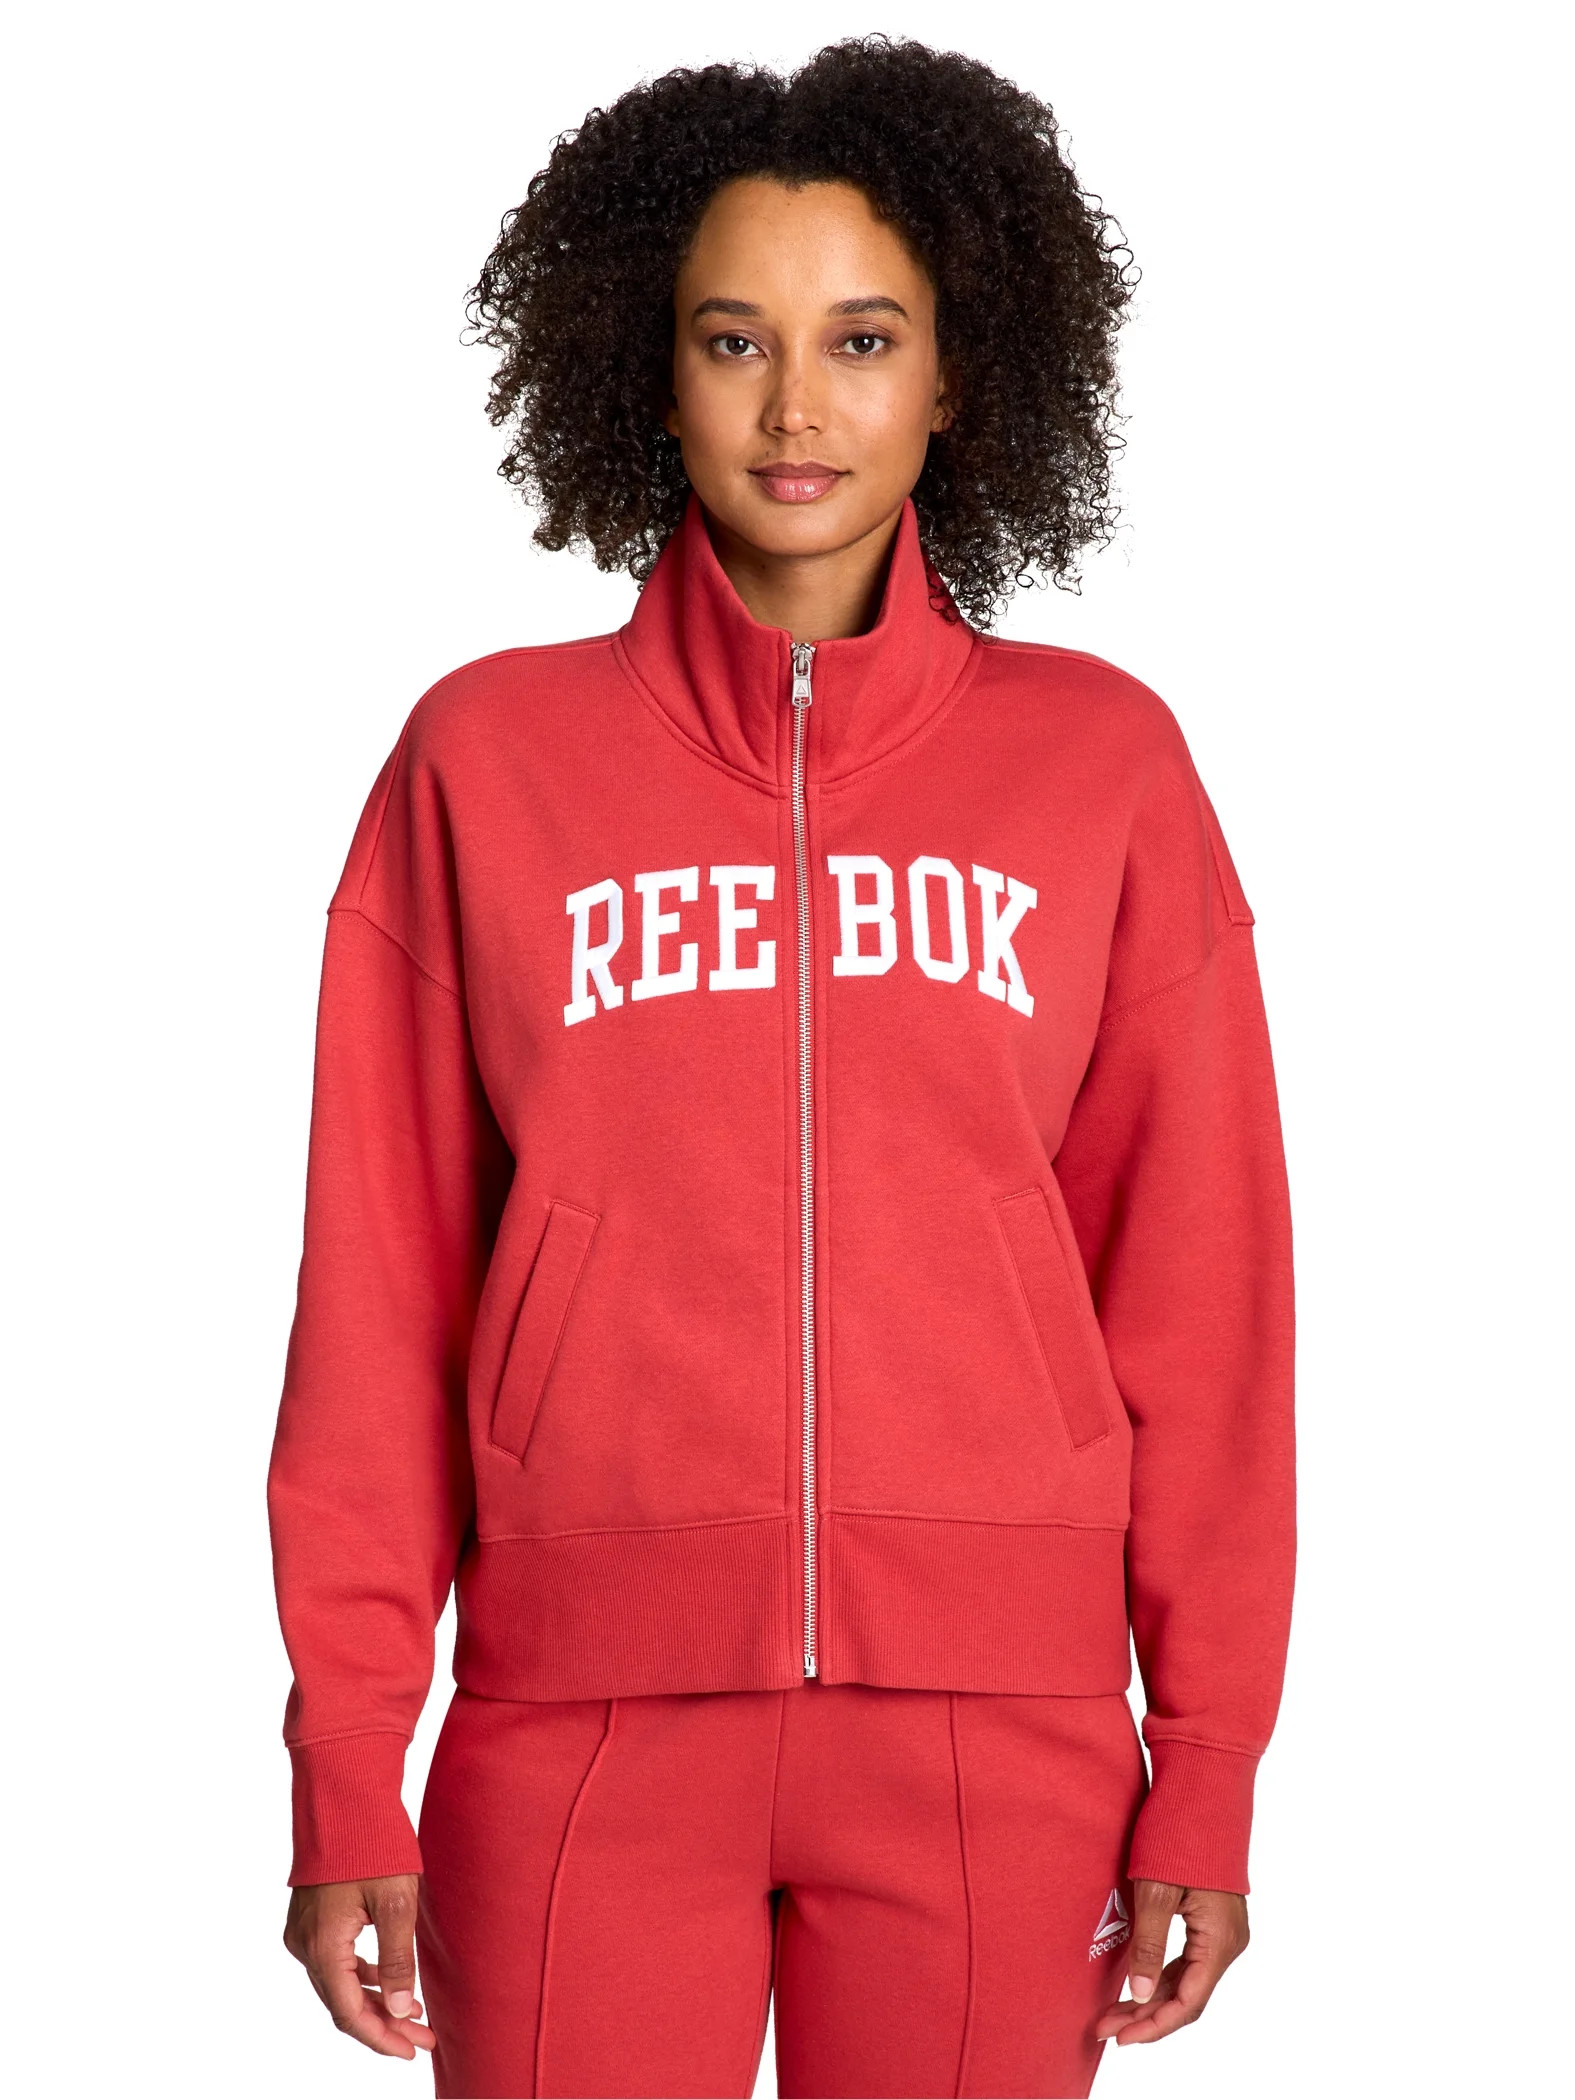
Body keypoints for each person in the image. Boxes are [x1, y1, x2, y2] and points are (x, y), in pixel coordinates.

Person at [268, 35, 1296, 2100]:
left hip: (997, 1740)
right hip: (573, 1728)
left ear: (957, 375)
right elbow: (381, 1287)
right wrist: (345, 1757)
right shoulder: (485, 759)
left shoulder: (1101, 766)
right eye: (732, 339)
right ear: (648, 372)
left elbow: (1202, 1297)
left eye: (862, 340)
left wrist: (1204, 1761)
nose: (796, 406)